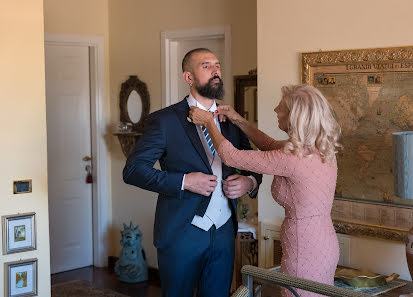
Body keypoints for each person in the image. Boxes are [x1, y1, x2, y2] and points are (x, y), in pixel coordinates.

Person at [122, 48, 262, 297]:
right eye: (206, 66)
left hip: (223, 232)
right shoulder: (165, 121)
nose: (216, 71)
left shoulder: (230, 119)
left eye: (217, 65)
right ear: (188, 78)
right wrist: (184, 181)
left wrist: (249, 182)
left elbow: (254, 162)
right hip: (180, 233)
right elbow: (133, 170)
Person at [189, 84, 342, 297]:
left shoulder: (291, 158)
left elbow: (231, 156)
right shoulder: (317, 147)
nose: (275, 110)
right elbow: (268, 144)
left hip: (304, 248)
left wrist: (208, 122)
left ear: (295, 117)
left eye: (282, 108)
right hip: (324, 241)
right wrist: (238, 119)